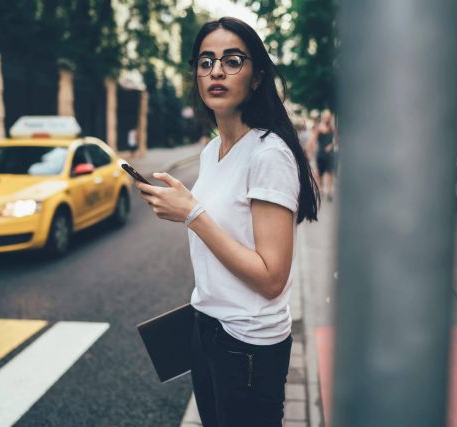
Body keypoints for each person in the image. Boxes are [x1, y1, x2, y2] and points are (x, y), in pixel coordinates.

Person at [135, 16, 320, 427]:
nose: (216, 71)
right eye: (205, 62)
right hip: (206, 328)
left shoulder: (268, 154)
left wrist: (192, 214)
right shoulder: (212, 151)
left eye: (233, 60)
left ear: (256, 77)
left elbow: (272, 278)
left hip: (248, 345)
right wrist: (184, 209)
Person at [309, 109, 338, 201]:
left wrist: (331, 145)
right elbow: (313, 139)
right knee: (320, 173)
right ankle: (321, 189)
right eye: (325, 117)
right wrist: (310, 151)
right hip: (320, 154)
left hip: (330, 155)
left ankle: (329, 191)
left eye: (328, 117)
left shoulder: (332, 128)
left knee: (329, 172)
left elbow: (337, 139)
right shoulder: (319, 128)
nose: (326, 118)